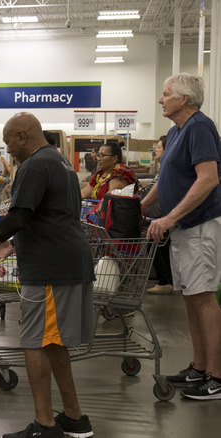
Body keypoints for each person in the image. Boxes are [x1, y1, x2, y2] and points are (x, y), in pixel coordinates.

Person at [0, 112, 95, 438]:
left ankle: (45, 424)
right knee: (53, 342)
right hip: (64, 261)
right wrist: (13, 245)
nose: (8, 151)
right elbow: (51, 216)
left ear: (22, 137)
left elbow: (18, 217)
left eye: (9, 144)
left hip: (49, 268)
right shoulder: (58, 160)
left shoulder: (35, 165)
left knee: (34, 342)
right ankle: (74, 418)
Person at [141, 73, 221, 401]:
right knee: (190, 297)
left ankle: (217, 376)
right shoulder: (176, 131)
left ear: (183, 99)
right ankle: (200, 367)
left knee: (203, 298)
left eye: (166, 94)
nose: (161, 99)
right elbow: (167, 178)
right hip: (181, 230)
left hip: (199, 227)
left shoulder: (200, 127)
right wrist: (141, 205)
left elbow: (208, 179)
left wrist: (170, 217)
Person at [141, 135, 173, 294]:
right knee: (163, 245)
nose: (156, 149)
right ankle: (168, 280)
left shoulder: (167, 168)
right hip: (161, 213)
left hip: (160, 213)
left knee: (154, 243)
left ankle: (164, 280)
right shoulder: (162, 167)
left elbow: (159, 191)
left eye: (159, 147)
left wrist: (142, 204)